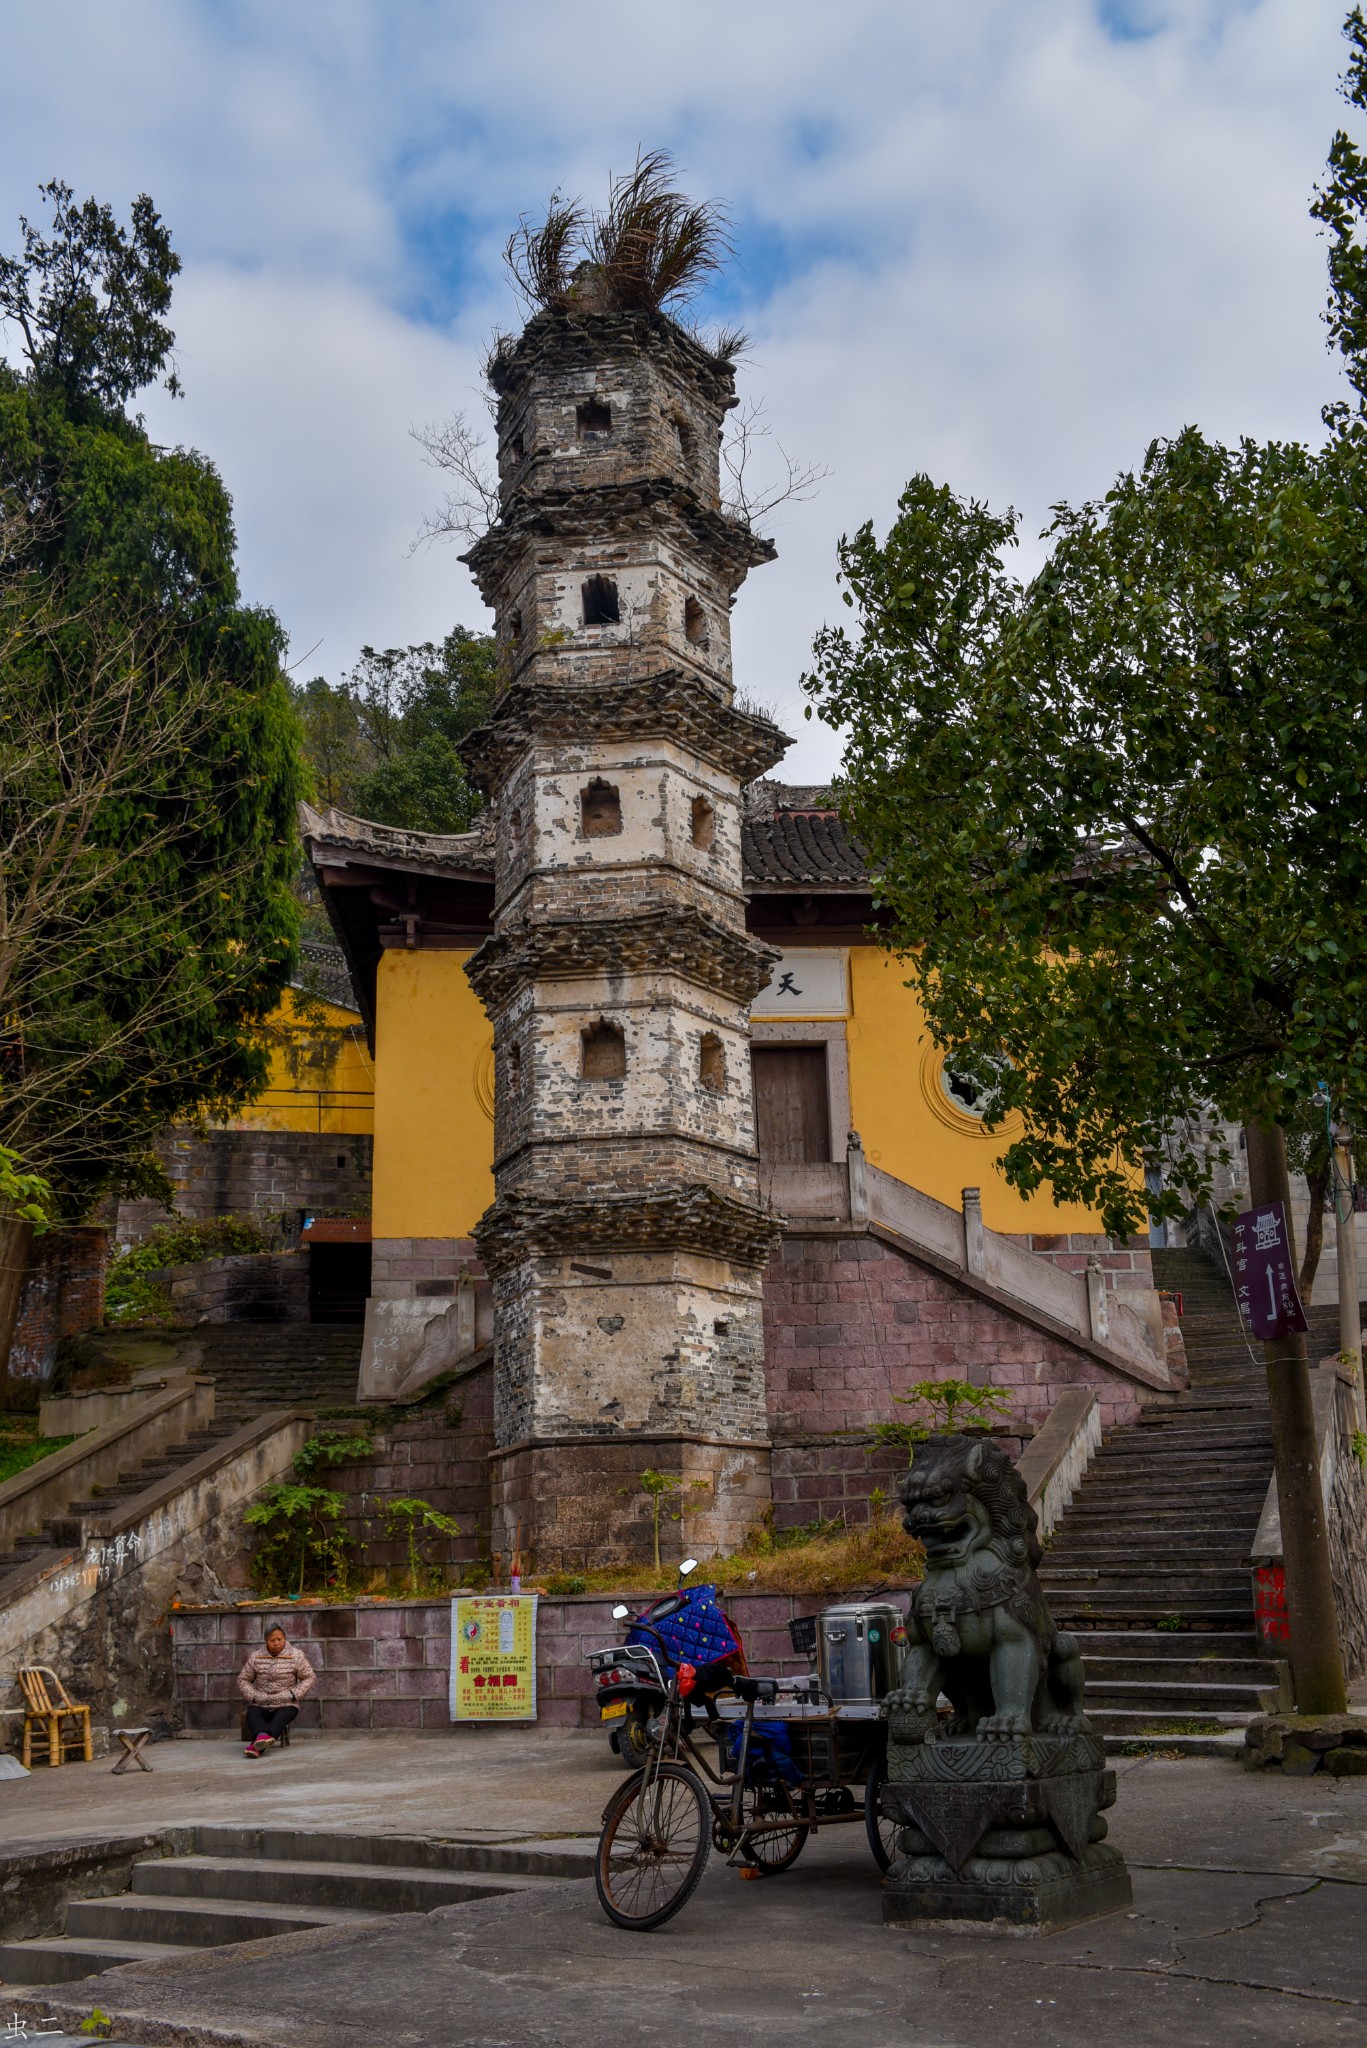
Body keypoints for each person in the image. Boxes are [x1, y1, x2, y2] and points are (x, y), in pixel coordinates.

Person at [237, 1622, 317, 1757]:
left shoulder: (296, 1655)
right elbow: (243, 1679)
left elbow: (309, 1677)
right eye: (272, 1640)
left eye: (279, 1639)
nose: (276, 1643)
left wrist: (293, 1694)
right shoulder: (256, 1657)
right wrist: (254, 1696)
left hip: (286, 1703)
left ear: (284, 1639)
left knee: (280, 1718)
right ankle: (261, 1739)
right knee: (253, 1713)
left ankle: (257, 1744)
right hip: (262, 1702)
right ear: (266, 1641)